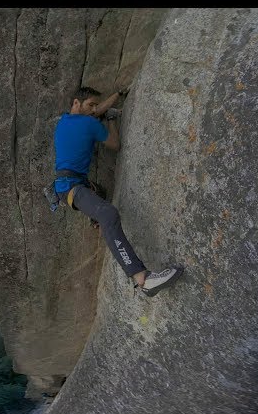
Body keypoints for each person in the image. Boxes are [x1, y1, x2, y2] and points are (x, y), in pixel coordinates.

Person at [54, 86, 183, 297]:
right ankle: (142, 279)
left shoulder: (64, 120)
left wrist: (117, 95)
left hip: (72, 186)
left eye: (96, 105)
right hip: (71, 188)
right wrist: (112, 120)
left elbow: (98, 110)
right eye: (90, 105)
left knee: (101, 196)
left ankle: (97, 220)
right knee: (108, 213)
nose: (95, 109)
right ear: (76, 103)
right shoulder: (89, 123)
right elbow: (114, 144)